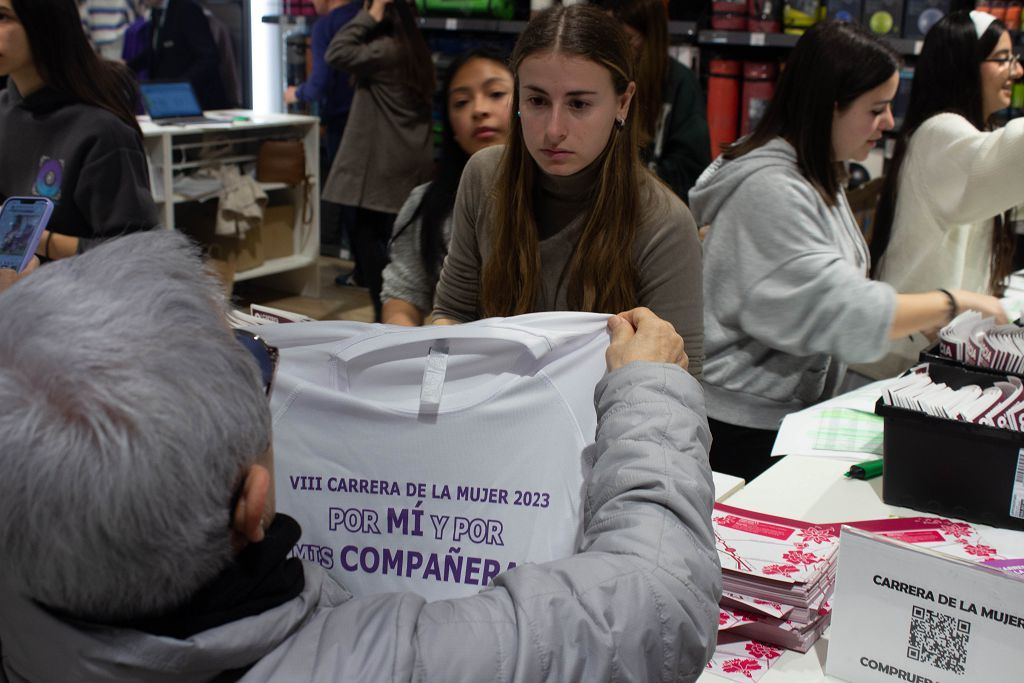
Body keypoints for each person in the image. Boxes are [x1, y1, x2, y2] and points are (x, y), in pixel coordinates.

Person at [0, 230, 720, 682]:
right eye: (253, 361)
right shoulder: (388, 663)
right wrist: (649, 391)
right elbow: (657, 600)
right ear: (251, 503)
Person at [689, 21, 1008, 482]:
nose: (889, 123)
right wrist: (952, 302)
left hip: (779, 415)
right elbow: (836, 307)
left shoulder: (820, 173)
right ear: (828, 108)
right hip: (738, 430)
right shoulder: (772, 189)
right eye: (876, 109)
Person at [432, 4, 705, 377]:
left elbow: (681, 384)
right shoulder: (483, 176)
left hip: (604, 428)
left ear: (622, 102)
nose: (553, 130)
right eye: (537, 101)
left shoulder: (664, 223)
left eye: (578, 103)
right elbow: (452, 312)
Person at [864, 10, 1024, 378]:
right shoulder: (940, 133)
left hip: (926, 355)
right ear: (963, 64)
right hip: (899, 366)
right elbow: (1004, 159)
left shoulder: (963, 134)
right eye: (1002, 59)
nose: (1016, 71)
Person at [0, 0, 158, 260]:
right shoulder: (5, 109)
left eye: (3, 16)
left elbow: (136, 257)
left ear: (44, 23)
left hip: (81, 295)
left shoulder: (102, 132)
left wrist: (32, 238)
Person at [382, 47, 514, 326]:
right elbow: (403, 296)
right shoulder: (428, 202)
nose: (479, 110)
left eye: (496, 94)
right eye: (461, 102)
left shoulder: (562, 194)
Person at [322, 0, 434, 322]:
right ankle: (391, 314)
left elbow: (337, 52)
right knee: (392, 242)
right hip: (404, 160)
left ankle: (383, 315)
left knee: (369, 240)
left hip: (382, 164)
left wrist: (370, 13)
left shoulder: (385, 50)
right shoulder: (415, 50)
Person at [598, 0, 711, 202]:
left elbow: (691, 170)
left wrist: (629, 178)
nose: (617, 49)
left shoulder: (680, 84)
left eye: (628, 39)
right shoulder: (602, 77)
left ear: (651, 38)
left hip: (657, 205)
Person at [285, 0, 361, 261]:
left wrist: (296, 92)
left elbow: (319, 84)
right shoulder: (370, 16)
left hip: (342, 122)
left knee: (348, 197)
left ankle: (361, 270)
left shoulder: (326, 26)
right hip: (376, 123)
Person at [129, 0, 228, 111]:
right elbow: (156, 48)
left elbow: (209, 58)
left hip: (198, 102)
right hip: (170, 100)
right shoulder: (157, 12)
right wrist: (127, 67)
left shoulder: (187, 10)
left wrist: (179, 87)